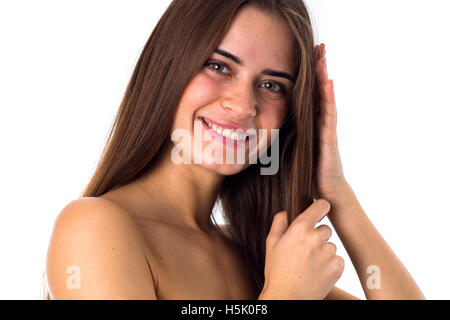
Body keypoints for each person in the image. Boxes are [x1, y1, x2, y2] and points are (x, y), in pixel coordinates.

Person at [44, 0, 425, 299]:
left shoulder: (257, 253)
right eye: (219, 66)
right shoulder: (94, 227)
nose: (244, 105)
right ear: (167, 67)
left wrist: (336, 194)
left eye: (273, 85)